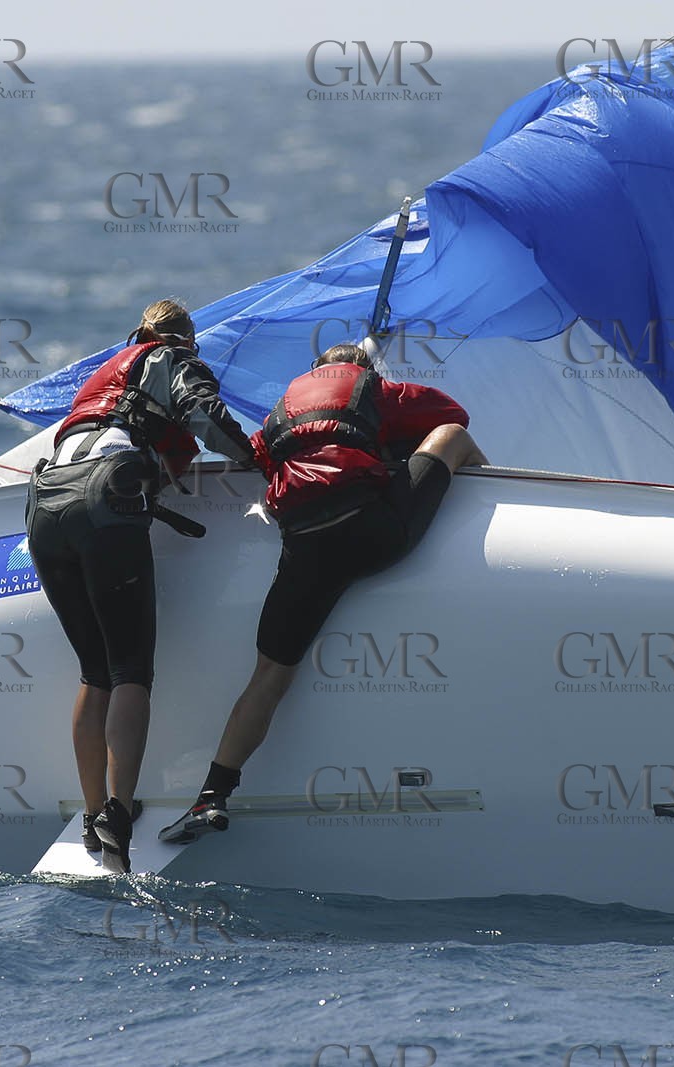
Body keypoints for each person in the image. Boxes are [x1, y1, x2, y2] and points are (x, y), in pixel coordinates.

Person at [159, 341, 485, 845]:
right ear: (361, 369)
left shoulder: (276, 416)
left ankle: (211, 797)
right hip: (373, 532)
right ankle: (496, 506)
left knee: (267, 677)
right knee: (451, 436)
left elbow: (264, 464)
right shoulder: (373, 388)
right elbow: (451, 413)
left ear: (312, 372)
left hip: (306, 548)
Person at [26, 299, 256, 873]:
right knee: (131, 671)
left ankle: (90, 812)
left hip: (44, 502)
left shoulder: (105, 373)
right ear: (185, 340)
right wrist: (259, 458)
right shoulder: (173, 359)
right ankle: (120, 813)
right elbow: (204, 417)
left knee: (94, 670)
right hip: (105, 493)